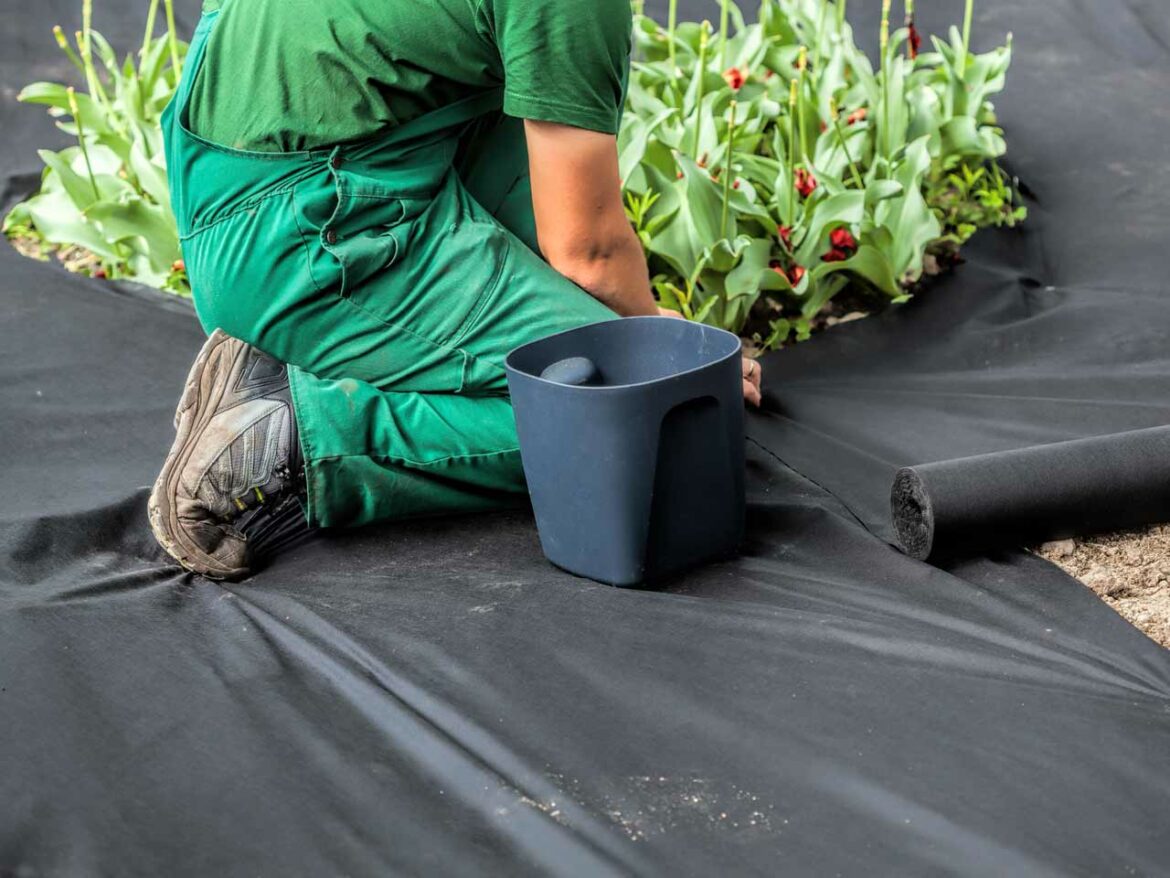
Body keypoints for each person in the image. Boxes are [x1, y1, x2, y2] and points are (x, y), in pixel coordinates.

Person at [149, 0, 764, 580]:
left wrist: (615, 314)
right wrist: (663, 353)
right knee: (658, 430)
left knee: (514, 68)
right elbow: (590, 251)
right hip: (306, 236)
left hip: (254, 158)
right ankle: (296, 430)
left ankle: (373, 336)